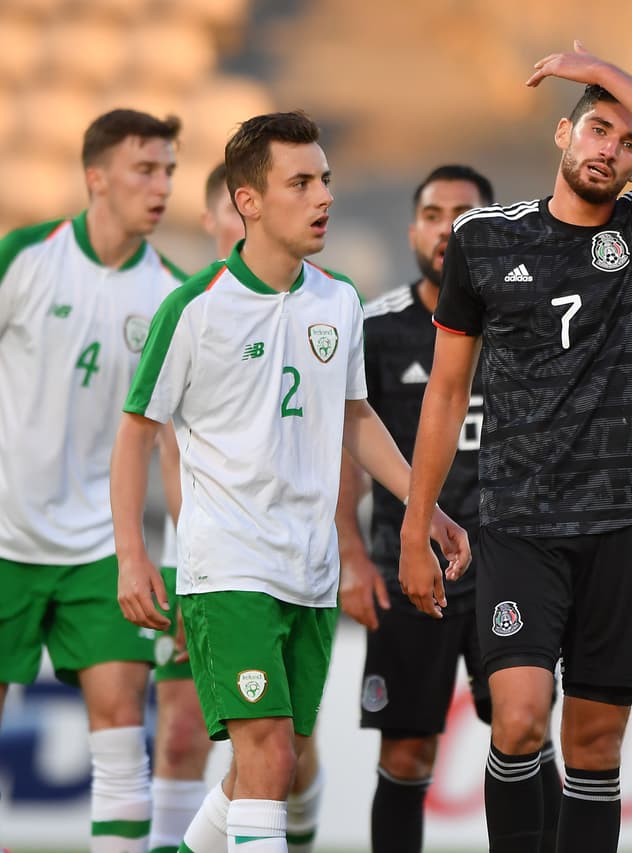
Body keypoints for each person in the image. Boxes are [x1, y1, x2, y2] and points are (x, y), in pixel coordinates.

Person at [110, 111, 471, 853]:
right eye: (301, 182)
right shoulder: (195, 309)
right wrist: (132, 554)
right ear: (248, 201)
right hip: (227, 568)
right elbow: (136, 433)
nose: (323, 197)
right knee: (269, 757)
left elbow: (357, 418)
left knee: (259, 773)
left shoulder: (338, 300)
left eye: (327, 181)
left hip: (306, 573)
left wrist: (423, 505)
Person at [399, 42, 632, 853]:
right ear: (562, 137)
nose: (611, 150)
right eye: (597, 130)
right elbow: (445, 391)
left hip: (622, 521)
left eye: (629, 142)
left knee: (594, 748)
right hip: (516, 518)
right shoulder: (483, 240)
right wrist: (416, 523)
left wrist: (608, 74)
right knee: (516, 719)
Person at [0, 108, 186, 853]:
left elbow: (169, 441)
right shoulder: (23, 258)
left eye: (168, 169)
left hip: (104, 548)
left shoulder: (171, 295)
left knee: (120, 721)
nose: (161, 185)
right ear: (95, 177)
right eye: (145, 168)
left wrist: (181, 549)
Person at [335, 164, 564, 853]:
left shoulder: (529, 320)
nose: (446, 228)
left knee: (526, 736)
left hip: (511, 567)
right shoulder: (375, 328)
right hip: (412, 571)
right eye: (433, 214)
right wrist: (350, 551)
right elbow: (346, 446)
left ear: (488, 229)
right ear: (413, 229)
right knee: (406, 755)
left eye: (463, 214)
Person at [146, 163, 327, 853]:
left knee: (283, 756)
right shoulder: (193, 308)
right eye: (229, 209)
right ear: (217, 218)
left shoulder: (321, 305)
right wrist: (194, 559)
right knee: (188, 733)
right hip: (206, 556)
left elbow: (339, 435)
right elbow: (165, 449)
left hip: (295, 559)